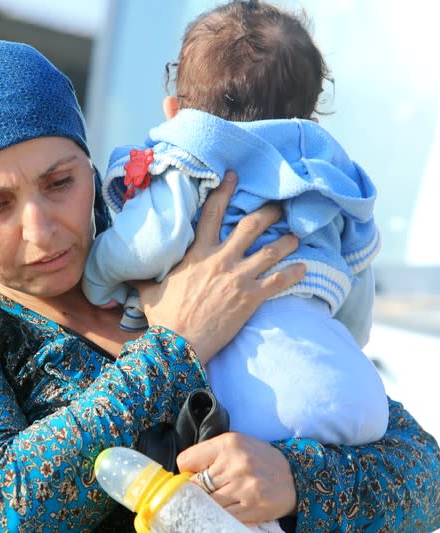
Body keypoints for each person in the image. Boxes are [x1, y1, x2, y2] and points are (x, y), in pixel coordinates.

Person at [0, 40, 440, 532]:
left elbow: (427, 479)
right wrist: (177, 345)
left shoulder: (191, 268)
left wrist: (292, 480)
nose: (41, 230)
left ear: (91, 169)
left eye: (60, 182)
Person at [82, 2, 389, 504]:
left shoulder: (192, 154)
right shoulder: (327, 177)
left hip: (260, 395)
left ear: (175, 112)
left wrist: (97, 277)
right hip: (356, 393)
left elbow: (149, 244)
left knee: (220, 494)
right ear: (307, 118)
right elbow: (356, 303)